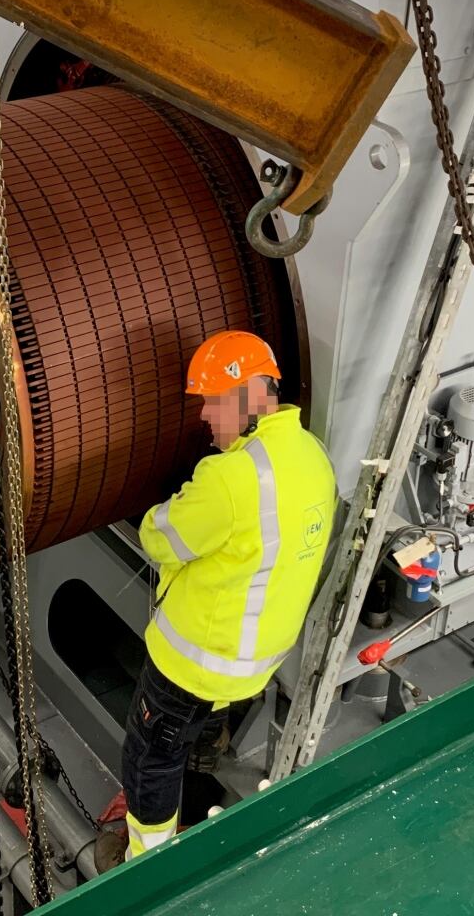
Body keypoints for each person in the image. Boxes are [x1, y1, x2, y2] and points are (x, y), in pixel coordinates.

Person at [94, 330, 337, 871]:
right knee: (198, 733)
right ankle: (200, 787)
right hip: (256, 660)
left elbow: (160, 538)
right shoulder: (311, 454)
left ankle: (145, 862)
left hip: (192, 664)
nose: (204, 416)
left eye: (211, 401)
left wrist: (169, 510)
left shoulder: (230, 478)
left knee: (150, 756)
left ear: (249, 398)